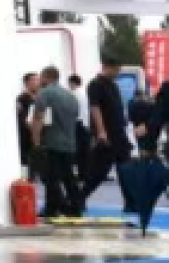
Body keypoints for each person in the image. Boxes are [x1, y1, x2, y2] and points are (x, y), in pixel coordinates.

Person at [29, 66, 84, 219]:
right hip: (69, 141)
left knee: (50, 178)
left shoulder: (45, 93)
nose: (40, 80)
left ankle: (54, 208)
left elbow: (38, 117)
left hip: (52, 142)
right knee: (68, 177)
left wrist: (36, 140)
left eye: (41, 77)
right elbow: (75, 118)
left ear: (46, 77)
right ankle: (74, 207)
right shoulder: (70, 96)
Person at [80, 57, 133, 206]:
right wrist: (101, 131)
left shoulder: (113, 85)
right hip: (106, 135)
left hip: (120, 134)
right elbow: (95, 108)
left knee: (126, 169)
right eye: (116, 70)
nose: (118, 73)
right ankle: (79, 198)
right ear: (106, 67)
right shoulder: (95, 84)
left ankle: (130, 202)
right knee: (98, 172)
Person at [13, 72, 39, 178]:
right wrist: (31, 129)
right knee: (25, 160)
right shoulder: (21, 98)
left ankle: (35, 177)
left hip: (37, 134)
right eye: (35, 80)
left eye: (38, 80)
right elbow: (22, 118)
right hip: (25, 135)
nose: (37, 82)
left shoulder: (39, 98)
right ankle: (25, 179)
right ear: (27, 83)